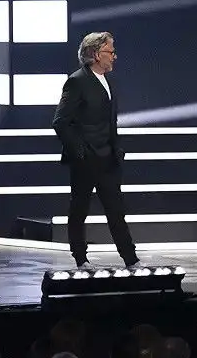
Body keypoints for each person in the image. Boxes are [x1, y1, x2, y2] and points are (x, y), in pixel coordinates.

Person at [51, 31, 139, 267]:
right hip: (86, 159)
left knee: (116, 211)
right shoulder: (77, 81)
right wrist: (79, 152)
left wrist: (115, 150)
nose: (114, 56)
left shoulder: (109, 82)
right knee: (79, 209)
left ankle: (130, 259)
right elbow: (60, 121)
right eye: (111, 52)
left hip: (108, 158)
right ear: (96, 54)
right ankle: (81, 258)